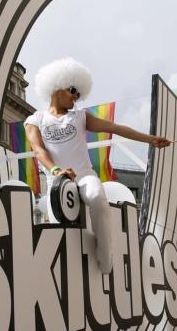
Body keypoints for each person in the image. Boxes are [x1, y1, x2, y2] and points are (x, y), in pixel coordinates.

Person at [25, 58, 169, 273]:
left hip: (84, 176)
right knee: (62, 230)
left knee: (96, 198)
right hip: (57, 182)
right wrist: (56, 171)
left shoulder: (80, 117)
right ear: (57, 86)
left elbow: (116, 128)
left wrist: (150, 139)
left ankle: (105, 260)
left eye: (79, 94)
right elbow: (38, 150)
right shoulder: (35, 120)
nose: (75, 98)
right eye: (73, 90)